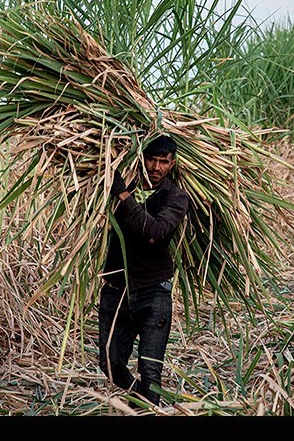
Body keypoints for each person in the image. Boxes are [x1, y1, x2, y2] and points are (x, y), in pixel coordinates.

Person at [98, 134, 190, 406]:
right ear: (142, 158)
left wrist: (123, 195)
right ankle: (142, 401)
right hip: (116, 291)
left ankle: (148, 407)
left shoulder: (176, 198)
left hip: (153, 293)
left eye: (164, 161)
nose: (156, 167)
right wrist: (120, 189)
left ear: (172, 164)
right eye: (151, 159)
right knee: (109, 363)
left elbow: (155, 231)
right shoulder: (119, 187)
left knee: (150, 371)